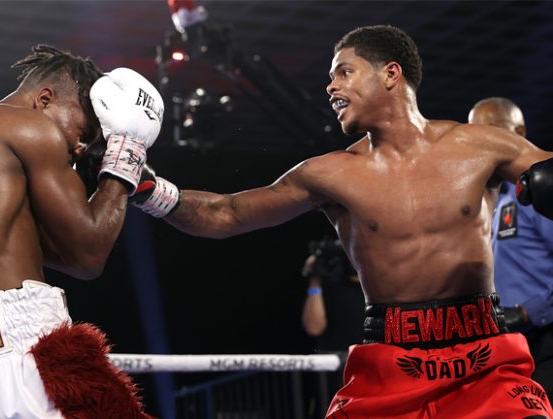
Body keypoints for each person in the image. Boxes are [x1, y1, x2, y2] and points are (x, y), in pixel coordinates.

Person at [131, 25, 553, 417]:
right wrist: (147, 190)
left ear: (390, 73)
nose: (331, 87)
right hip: (390, 363)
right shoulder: (329, 174)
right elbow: (226, 213)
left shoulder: (481, 145)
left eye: (344, 73)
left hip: (483, 357)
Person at [0, 45, 164, 418]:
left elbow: (72, 260)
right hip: (22, 362)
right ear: (44, 100)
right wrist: (124, 160)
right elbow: (89, 253)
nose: (81, 148)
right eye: (84, 131)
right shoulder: (30, 126)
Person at [469, 97, 553, 394]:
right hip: (503, 344)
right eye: (473, 133)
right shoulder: (483, 201)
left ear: (519, 133)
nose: (481, 142)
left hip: (546, 341)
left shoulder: (541, 194)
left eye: (491, 130)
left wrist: (530, 312)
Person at [300, 237, 364, 417]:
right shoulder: (327, 285)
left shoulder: (380, 287)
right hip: (333, 371)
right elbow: (314, 327)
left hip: (369, 367)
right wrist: (315, 279)